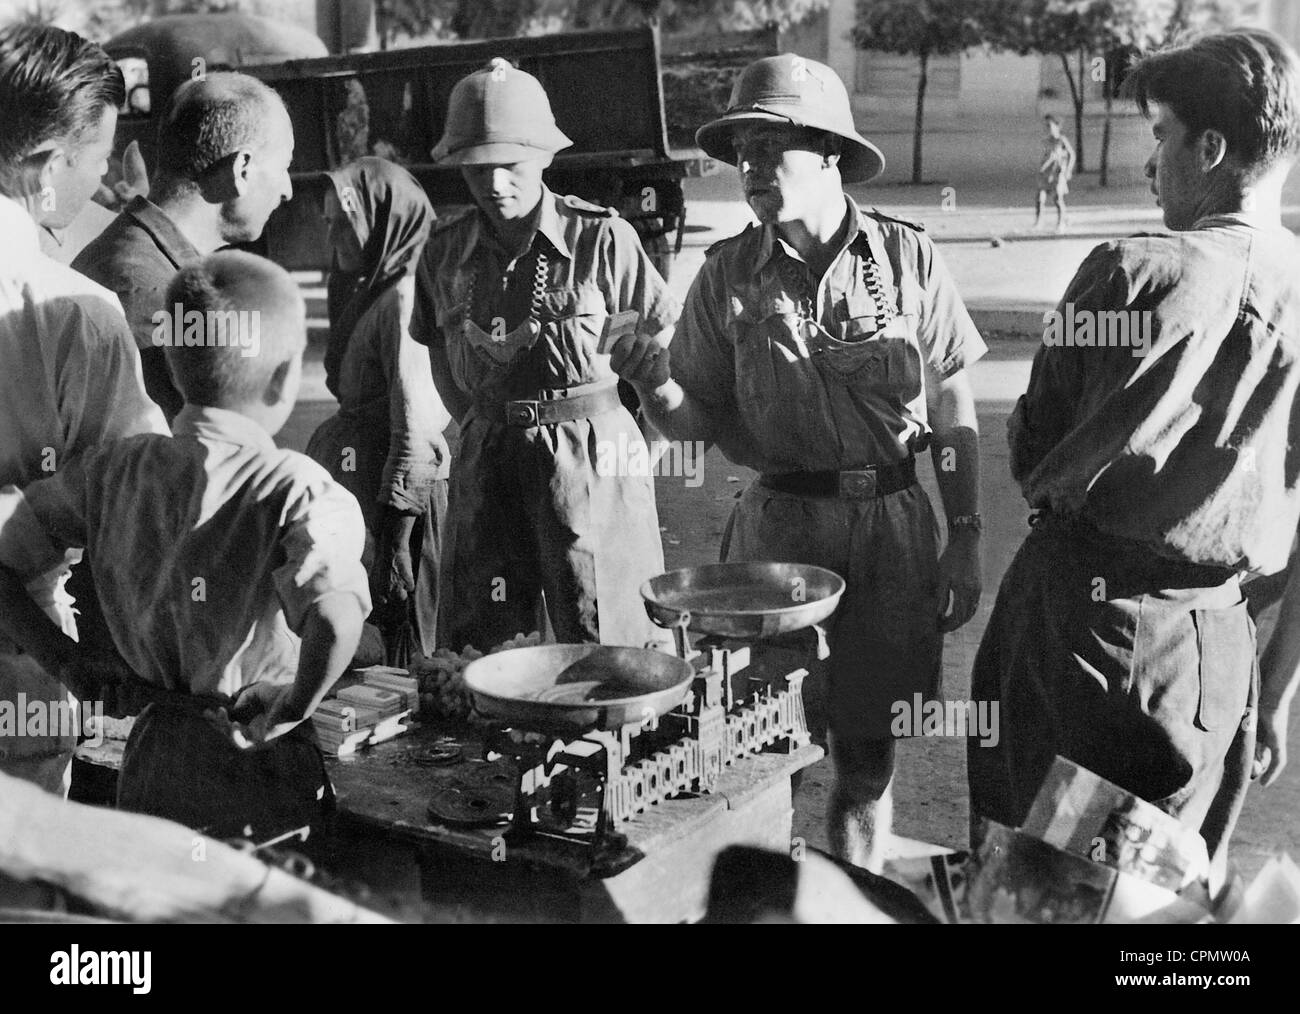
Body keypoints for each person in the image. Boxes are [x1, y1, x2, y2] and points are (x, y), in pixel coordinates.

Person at [614, 54, 986, 873]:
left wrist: (965, 532)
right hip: (777, 537)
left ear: (828, 154)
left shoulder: (909, 259)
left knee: (868, 750)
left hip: (892, 529)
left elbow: (954, 403)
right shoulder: (724, 276)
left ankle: (852, 888)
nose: (747, 168)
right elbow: (691, 425)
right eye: (739, 150)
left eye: (767, 146)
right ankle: (765, 901)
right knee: (760, 745)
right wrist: (653, 383)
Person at [967, 29, 1300, 875]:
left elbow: (1036, 447)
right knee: (1160, 907)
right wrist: (1277, 695)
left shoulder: (1132, 270)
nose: (1152, 160)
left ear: (1212, 148)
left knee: (1039, 885)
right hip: (1218, 652)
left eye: (1161, 134)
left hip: (1086, 633)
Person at [0, 251, 370, 840]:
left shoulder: (111, 472)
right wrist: (294, 705)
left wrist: (64, 660)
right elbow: (333, 617)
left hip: (154, 763)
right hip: (256, 761)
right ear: (282, 379)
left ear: (169, 372)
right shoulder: (297, 488)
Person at [411, 59, 678, 650]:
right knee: (480, 646)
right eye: (476, 168)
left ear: (545, 157)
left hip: (592, 459)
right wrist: (480, 425)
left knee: (607, 642)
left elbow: (654, 352)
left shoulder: (602, 240)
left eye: (509, 164)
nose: (494, 183)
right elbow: (437, 350)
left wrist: (635, 451)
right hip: (488, 459)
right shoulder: (443, 252)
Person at [0, 23, 168, 795]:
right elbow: (144, 503)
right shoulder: (75, 314)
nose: (106, 178)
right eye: (97, 157)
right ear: (43, 167)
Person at [74, 71, 296, 423]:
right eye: (283, 167)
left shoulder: (136, 257)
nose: (287, 190)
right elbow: (175, 456)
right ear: (242, 169)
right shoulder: (153, 289)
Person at [307, 157, 450, 660]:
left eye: (340, 222)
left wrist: (393, 545)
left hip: (388, 504)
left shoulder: (404, 298)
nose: (333, 236)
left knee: (396, 634)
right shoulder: (368, 288)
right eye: (327, 223)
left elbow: (416, 431)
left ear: (381, 219)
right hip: (358, 484)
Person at [1034, 114, 1075, 233]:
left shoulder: (1061, 140)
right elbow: (1043, 156)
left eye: (1049, 125)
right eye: (1045, 125)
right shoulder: (1045, 141)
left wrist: (1068, 170)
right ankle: (1038, 222)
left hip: (1058, 172)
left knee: (1057, 199)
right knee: (1040, 197)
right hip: (1046, 172)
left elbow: (1071, 155)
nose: (1047, 128)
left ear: (1057, 126)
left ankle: (1061, 223)